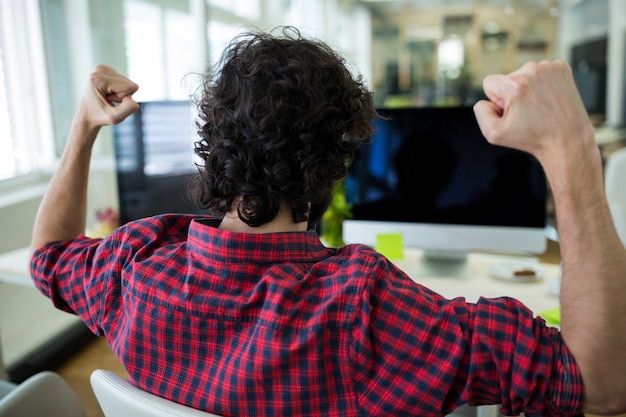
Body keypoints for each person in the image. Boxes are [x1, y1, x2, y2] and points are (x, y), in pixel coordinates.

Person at [29, 26, 626, 416]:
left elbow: (49, 256)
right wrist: (572, 150)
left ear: (212, 139)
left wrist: (82, 130)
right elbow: (599, 385)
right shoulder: (364, 308)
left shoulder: (134, 264)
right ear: (335, 162)